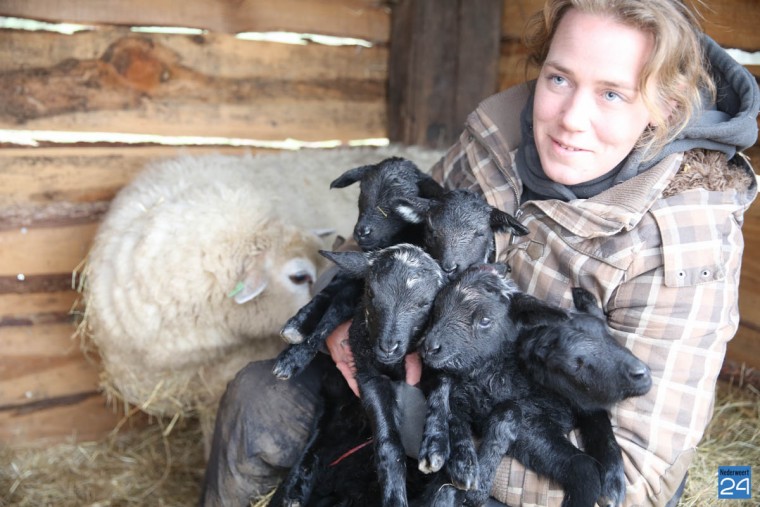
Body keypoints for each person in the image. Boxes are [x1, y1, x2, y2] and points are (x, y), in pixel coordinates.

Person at [200, 0, 760, 505]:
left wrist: (433, 430)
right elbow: (381, 246)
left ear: (664, 104)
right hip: (416, 380)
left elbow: (637, 477)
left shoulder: (682, 238)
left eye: (612, 93)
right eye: (559, 78)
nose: (571, 119)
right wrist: (345, 321)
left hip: (528, 456)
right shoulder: (496, 137)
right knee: (258, 397)